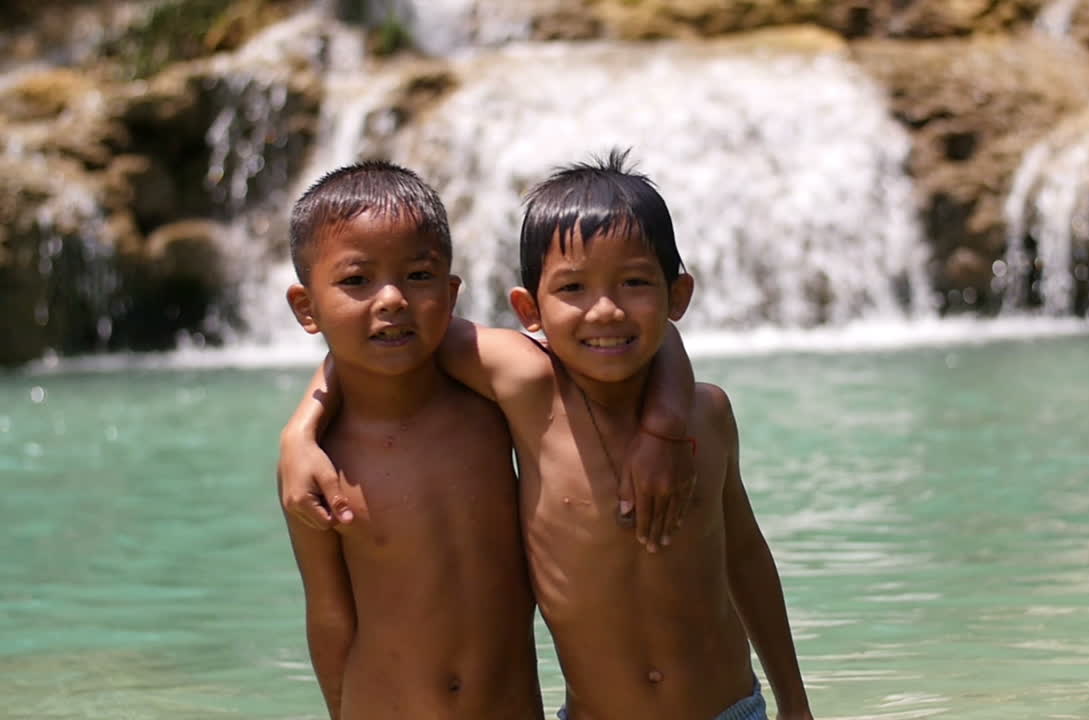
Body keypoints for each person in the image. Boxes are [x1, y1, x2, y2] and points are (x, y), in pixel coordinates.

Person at [282, 150, 812, 719]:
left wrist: (796, 705)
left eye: (634, 283)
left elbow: (748, 560)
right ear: (529, 308)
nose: (605, 311)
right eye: (573, 289)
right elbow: (387, 333)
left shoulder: (705, 416)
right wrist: (303, 429)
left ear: (676, 296)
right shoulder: (529, 390)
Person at [278, 161, 544, 718]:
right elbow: (329, 616)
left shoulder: (493, 403)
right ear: (307, 308)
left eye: (418, 276)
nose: (392, 298)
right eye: (356, 280)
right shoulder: (318, 463)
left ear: (450, 294)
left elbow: (616, 340)